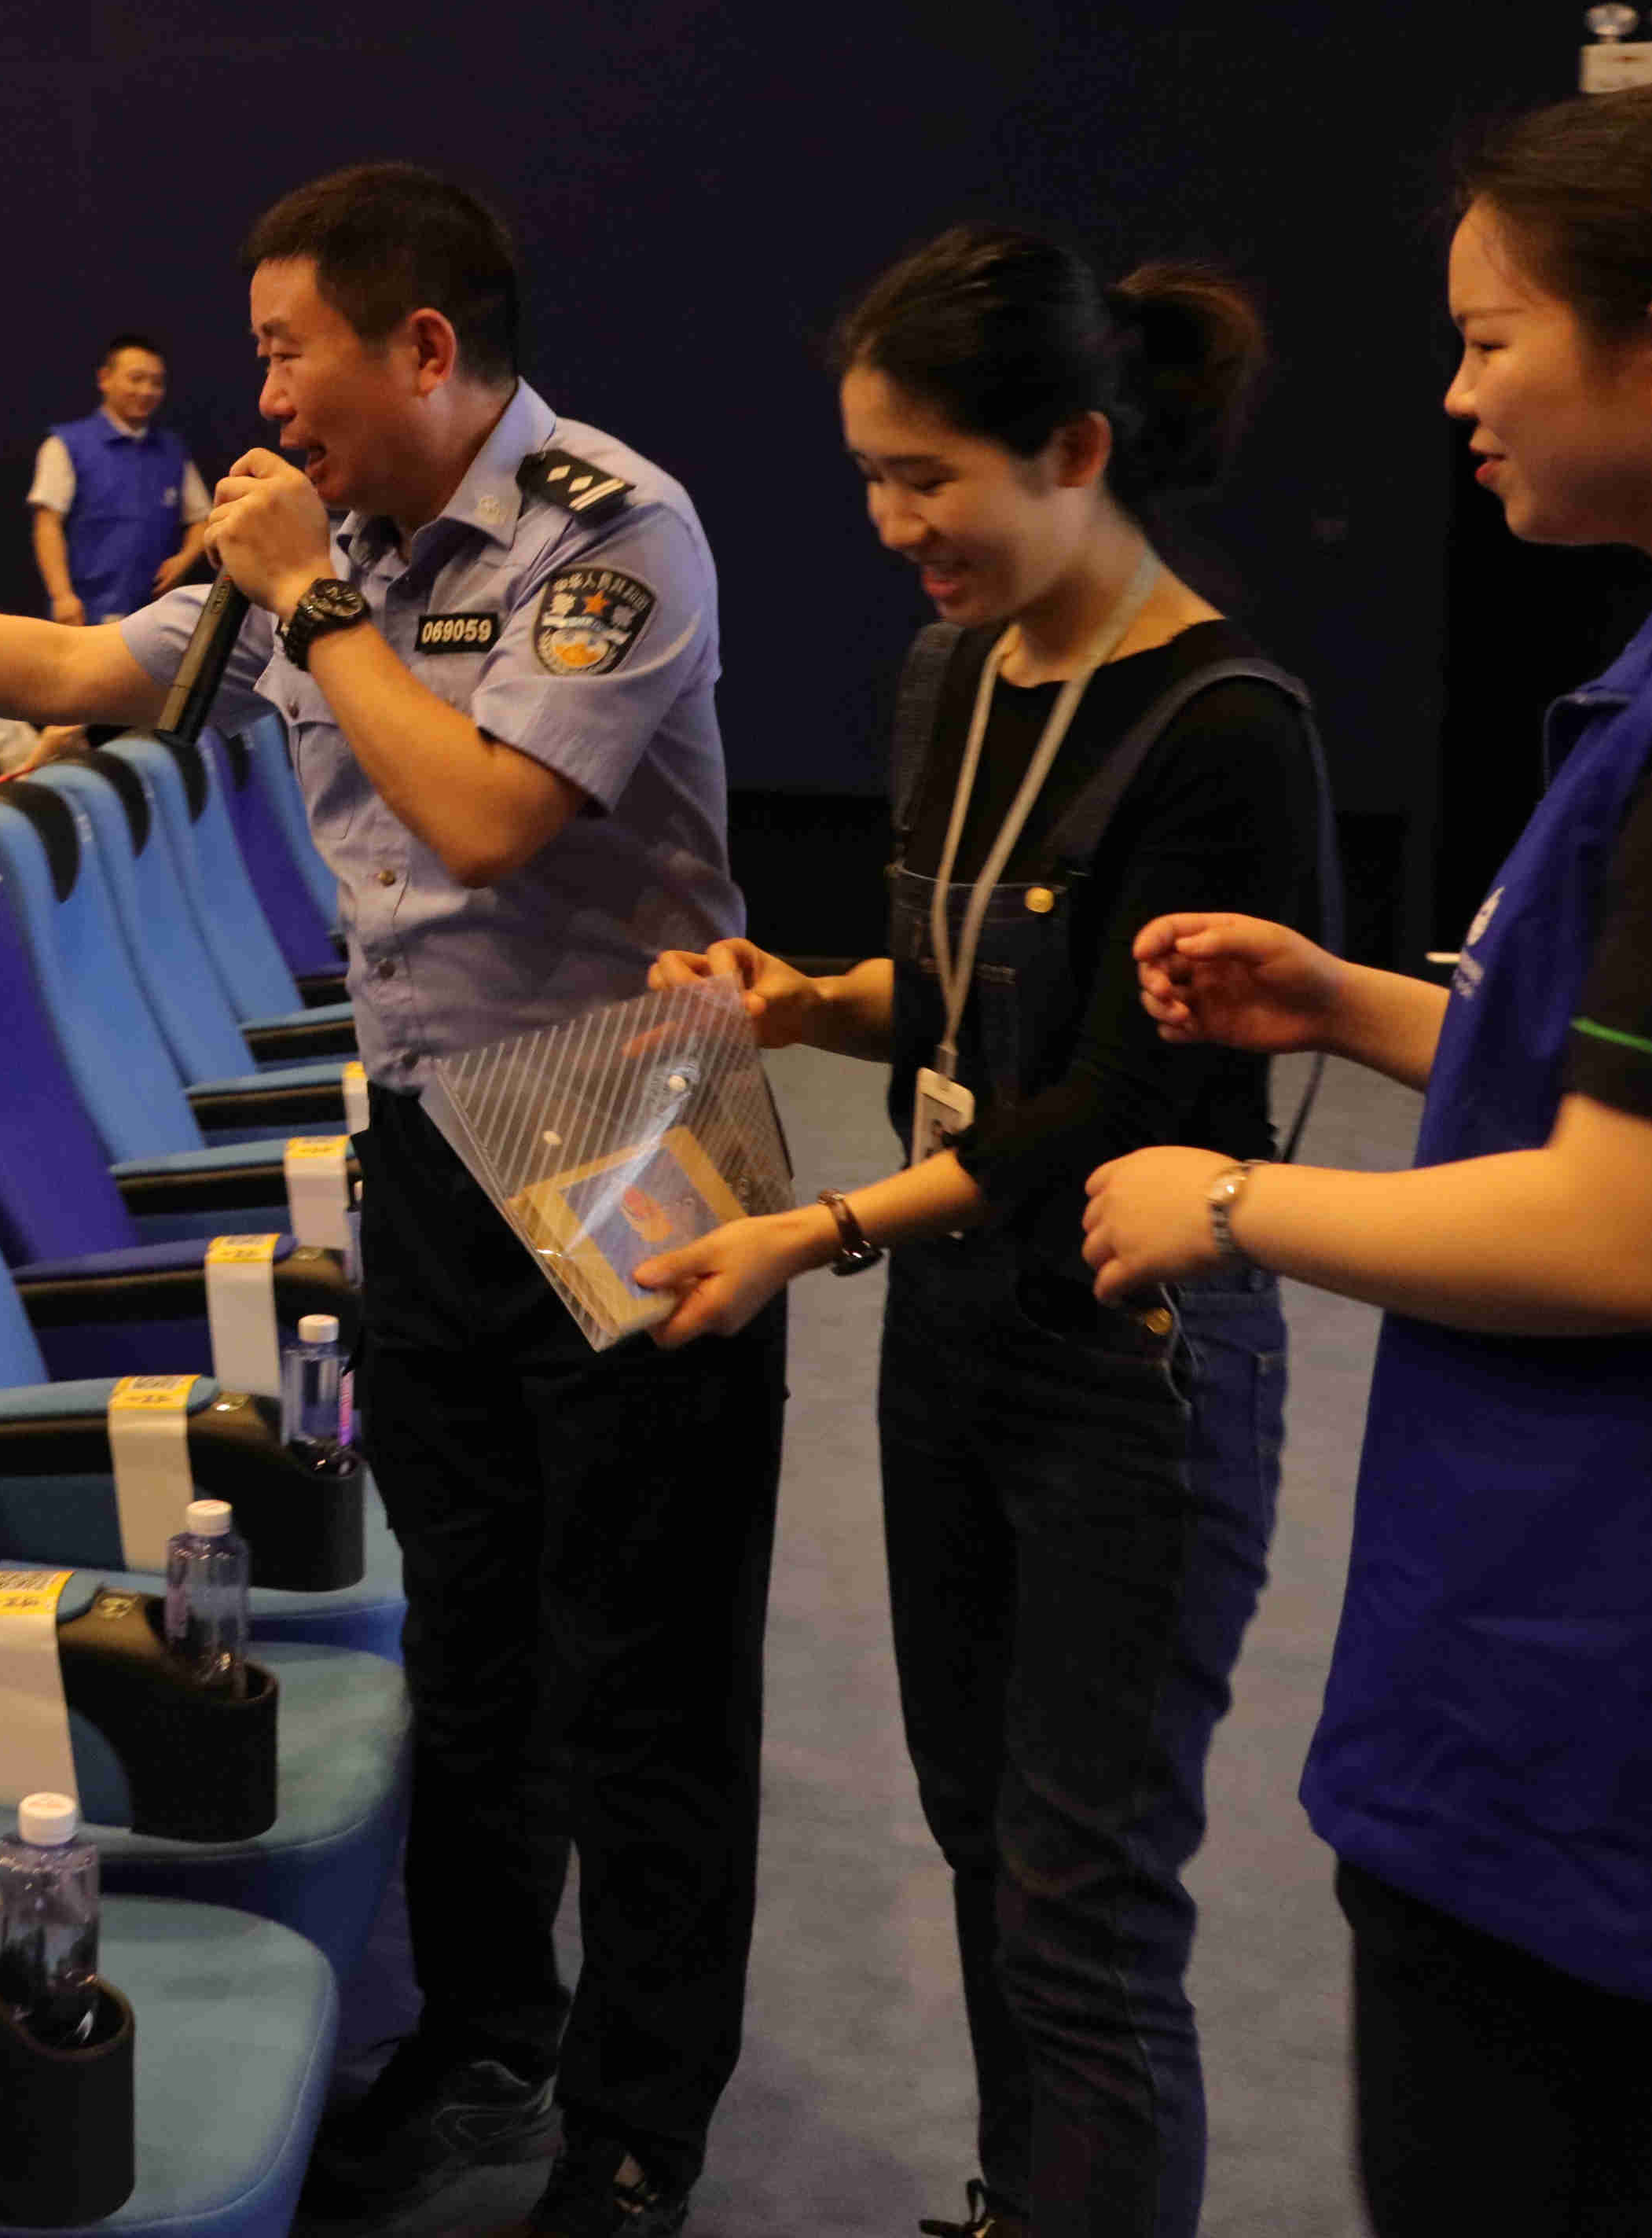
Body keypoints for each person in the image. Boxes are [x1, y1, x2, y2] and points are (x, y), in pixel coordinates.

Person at [0, 161, 754, 2238]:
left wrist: (315, 605)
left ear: (420, 347)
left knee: (646, 1656)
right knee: (479, 1631)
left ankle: (637, 2128)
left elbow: (488, 817)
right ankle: (487, 2039)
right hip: (432, 1122)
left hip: (630, 1123)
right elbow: (79, 667)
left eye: (283, 352)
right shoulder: (321, 548)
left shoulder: (611, 525)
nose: (260, 396)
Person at [1093, 89, 1652, 2238]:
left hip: (1633, 1674)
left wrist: (1226, 1204)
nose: (1456, 395)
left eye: (1489, 339)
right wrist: (1357, 1002)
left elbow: (1641, 1230)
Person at [626, 229, 1325, 2238]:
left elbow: (1110, 1103)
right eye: (870, 474)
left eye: (926, 475)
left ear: (1076, 448)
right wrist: (807, 1000)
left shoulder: (1224, 725)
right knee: (979, 1831)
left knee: (1084, 1897)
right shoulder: (956, 670)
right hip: (959, 1329)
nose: (891, 523)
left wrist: (815, 1227)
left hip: (1131, 1368)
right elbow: (951, 1007)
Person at [31, 331, 213, 625]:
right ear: (105, 379)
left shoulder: (173, 451)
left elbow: (202, 518)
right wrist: (62, 595)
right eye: (136, 379)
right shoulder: (66, 445)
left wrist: (185, 559)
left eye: (156, 382)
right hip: (85, 612)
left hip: (155, 614)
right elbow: (47, 524)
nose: (147, 391)